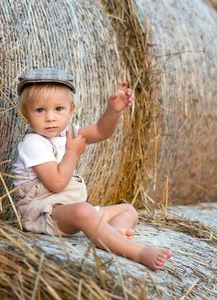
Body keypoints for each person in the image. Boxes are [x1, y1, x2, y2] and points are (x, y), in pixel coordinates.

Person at [12, 68, 172, 270]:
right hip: (43, 214)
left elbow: (100, 131)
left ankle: (110, 236)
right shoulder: (33, 143)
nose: (50, 117)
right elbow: (57, 183)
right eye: (40, 110)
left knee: (127, 210)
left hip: (68, 210)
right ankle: (137, 252)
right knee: (83, 210)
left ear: (71, 110)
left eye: (58, 109)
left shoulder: (66, 132)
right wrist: (72, 153)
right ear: (26, 114)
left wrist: (112, 111)